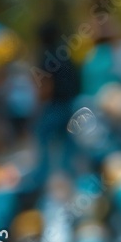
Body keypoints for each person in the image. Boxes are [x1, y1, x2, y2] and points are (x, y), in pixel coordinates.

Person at [33, 21, 81, 186]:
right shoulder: (64, 53)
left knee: (42, 135)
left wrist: (39, 106)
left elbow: (47, 85)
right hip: (71, 103)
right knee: (68, 139)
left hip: (56, 105)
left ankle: (41, 175)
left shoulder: (46, 55)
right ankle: (70, 173)